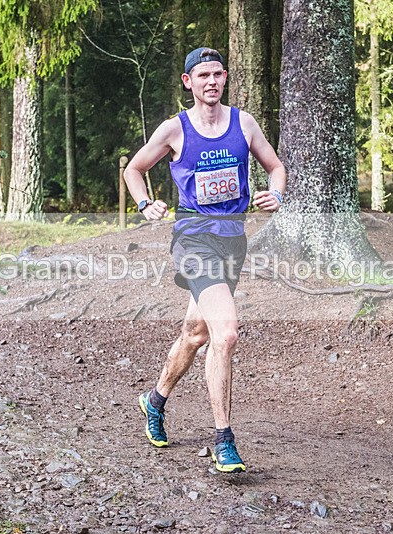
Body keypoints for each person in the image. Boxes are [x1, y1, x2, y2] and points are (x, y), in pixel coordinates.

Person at [123, 47, 286, 473]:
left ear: (225, 77)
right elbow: (134, 170)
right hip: (194, 242)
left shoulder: (243, 123)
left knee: (196, 333)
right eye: (202, 76)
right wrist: (145, 204)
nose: (211, 82)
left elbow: (276, 166)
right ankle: (224, 439)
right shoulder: (174, 130)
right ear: (188, 82)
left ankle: (153, 399)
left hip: (233, 241)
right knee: (226, 333)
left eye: (217, 74)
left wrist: (277, 193)